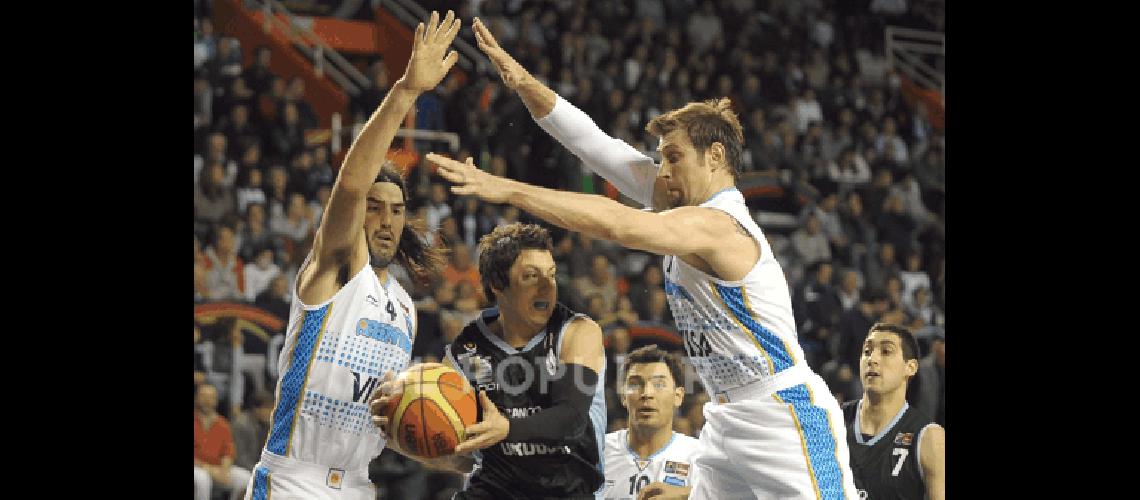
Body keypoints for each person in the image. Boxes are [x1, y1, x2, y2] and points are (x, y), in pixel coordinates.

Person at [427, 19, 858, 499]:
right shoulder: (683, 205)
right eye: (661, 159)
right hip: (725, 419)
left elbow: (617, 223)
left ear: (715, 156)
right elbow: (596, 146)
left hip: (782, 415)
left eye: (673, 158)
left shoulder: (718, 224)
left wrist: (507, 188)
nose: (662, 172)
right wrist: (526, 85)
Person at [240, 10, 458, 500]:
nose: (386, 218)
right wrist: (405, 92)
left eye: (397, 210)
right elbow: (351, 184)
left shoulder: (404, 308)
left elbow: (390, 421)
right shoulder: (335, 268)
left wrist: (459, 448)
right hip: (293, 481)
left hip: (359, 487)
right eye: (374, 208)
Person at [371, 223, 607, 499]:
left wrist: (506, 429)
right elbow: (458, 455)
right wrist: (400, 435)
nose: (547, 287)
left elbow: (571, 419)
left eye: (551, 275)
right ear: (498, 285)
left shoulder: (577, 331)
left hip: (566, 492)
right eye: (531, 276)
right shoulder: (465, 351)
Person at [841, 323, 945, 500]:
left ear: (910, 367)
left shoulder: (929, 437)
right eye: (867, 351)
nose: (872, 359)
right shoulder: (833, 419)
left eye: (886, 351)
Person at [602, 345, 701, 500]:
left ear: (678, 396)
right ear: (623, 396)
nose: (646, 393)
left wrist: (689, 495)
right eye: (635, 384)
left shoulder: (700, 458)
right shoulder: (598, 453)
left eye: (659, 384)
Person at [196, 383, 253, 500]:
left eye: (211, 397)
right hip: (198, 467)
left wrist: (224, 471)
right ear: (196, 398)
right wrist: (210, 470)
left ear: (216, 400)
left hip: (218, 467)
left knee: (246, 479)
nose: (207, 400)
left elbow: (228, 452)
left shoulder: (224, 424)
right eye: (203, 396)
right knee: (202, 480)